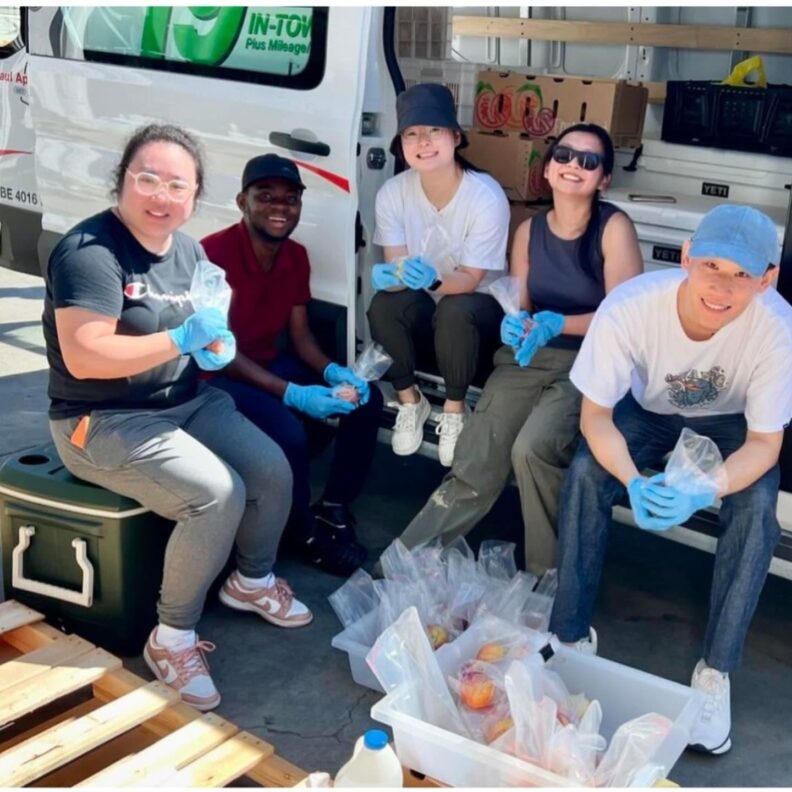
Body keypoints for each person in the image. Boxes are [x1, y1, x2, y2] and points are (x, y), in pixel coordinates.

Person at [42, 124, 311, 713]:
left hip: (185, 401)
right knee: (217, 494)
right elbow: (86, 356)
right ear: (122, 181)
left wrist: (213, 343)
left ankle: (252, 580)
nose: (161, 196)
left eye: (177, 185)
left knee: (273, 467)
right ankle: (172, 637)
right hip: (105, 420)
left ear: (194, 197)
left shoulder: (189, 251)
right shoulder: (91, 252)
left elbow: (211, 316)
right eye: (148, 179)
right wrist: (179, 338)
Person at [549, 204, 792, 755]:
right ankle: (568, 635)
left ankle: (716, 673)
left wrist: (705, 488)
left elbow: (765, 444)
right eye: (710, 265)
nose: (721, 286)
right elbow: (596, 417)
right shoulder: (631, 306)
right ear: (685, 257)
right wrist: (634, 480)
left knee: (757, 507)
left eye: (742, 275)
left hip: (732, 423)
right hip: (646, 410)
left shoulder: (778, 328)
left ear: (767, 279)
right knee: (588, 473)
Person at [398, 124, 642, 576]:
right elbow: (523, 301)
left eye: (589, 162)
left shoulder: (614, 227)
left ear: (604, 179)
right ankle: (405, 564)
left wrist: (557, 324)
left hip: (590, 360)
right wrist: (518, 322)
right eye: (565, 156)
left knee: (534, 449)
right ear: (547, 168)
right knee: (480, 451)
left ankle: (550, 581)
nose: (575, 166)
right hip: (531, 355)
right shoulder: (529, 230)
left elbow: (622, 317)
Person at [201, 154, 384, 577]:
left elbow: (300, 337)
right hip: (219, 376)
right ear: (241, 201)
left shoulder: (295, 256)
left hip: (268, 360)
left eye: (290, 199)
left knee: (365, 400)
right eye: (266, 197)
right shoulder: (213, 254)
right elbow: (220, 352)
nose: (279, 208)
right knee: (288, 432)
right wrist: (292, 393)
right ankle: (302, 533)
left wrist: (334, 373)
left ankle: (333, 505)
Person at [367, 82, 509, 467]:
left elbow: (470, 279)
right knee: (383, 304)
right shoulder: (393, 193)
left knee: (455, 309)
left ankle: (454, 408)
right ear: (401, 144)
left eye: (433, 131)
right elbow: (397, 269)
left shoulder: (485, 195)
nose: (423, 142)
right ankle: (411, 401)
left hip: (478, 307)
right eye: (411, 133)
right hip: (425, 305)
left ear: (455, 137)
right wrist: (391, 275)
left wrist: (432, 280)